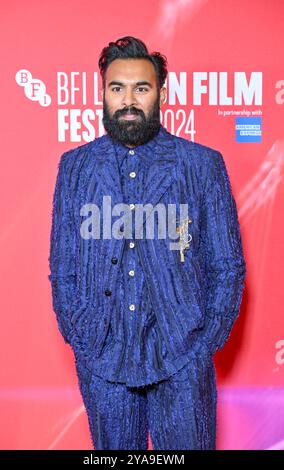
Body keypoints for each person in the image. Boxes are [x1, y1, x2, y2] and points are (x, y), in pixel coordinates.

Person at [48, 36, 246, 450]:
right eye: (117, 88)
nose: (129, 100)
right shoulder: (76, 167)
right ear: (102, 92)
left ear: (160, 92)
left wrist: (204, 342)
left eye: (141, 88)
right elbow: (63, 265)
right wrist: (78, 333)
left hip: (182, 355)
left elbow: (227, 265)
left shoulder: (201, 165)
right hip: (103, 354)